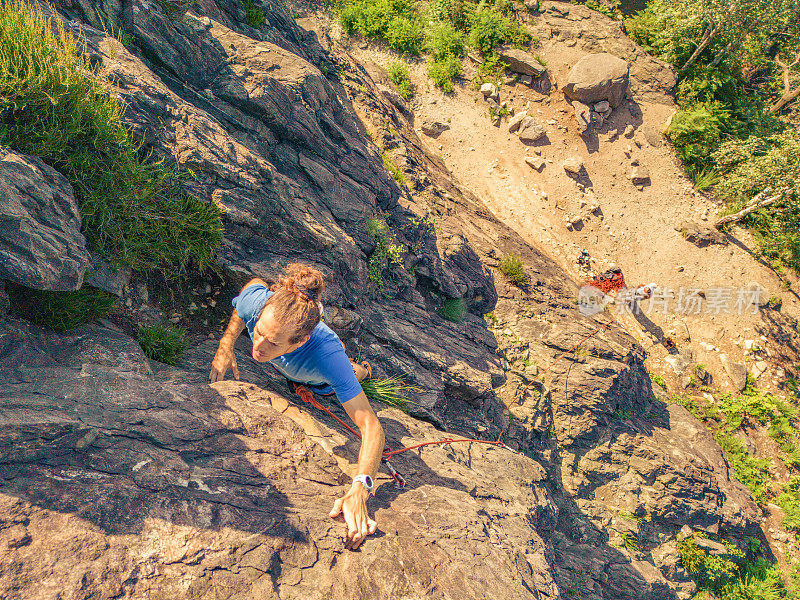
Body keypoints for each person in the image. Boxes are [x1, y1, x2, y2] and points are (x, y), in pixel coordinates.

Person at [209, 263, 385, 551]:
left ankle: (362, 369)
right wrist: (226, 344)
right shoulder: (259, 304)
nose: (257, 345)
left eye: (272, 341)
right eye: (259, 332)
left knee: (349, 374)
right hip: (293, 367)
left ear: (301, 340)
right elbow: (247, 291)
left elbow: (372, 427)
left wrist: (360, 489)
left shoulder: (326, 354)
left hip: (319, 380)